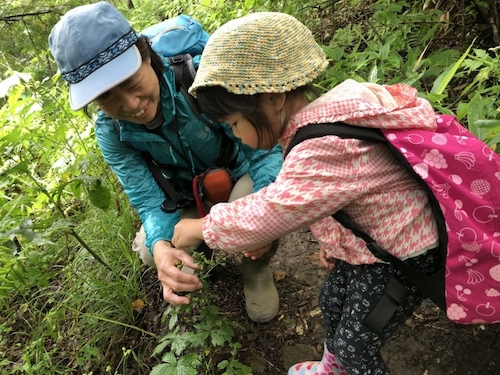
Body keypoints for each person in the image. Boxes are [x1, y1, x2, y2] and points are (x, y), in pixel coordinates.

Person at [171, 12, 444, 375]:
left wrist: (202, 227)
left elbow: (275, 209)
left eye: (235, 123)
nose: (235, 135)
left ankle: (342, 364)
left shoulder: (323, 146)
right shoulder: (331, 113)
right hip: (375, 243)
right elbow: (343, 195)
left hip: (400, 256)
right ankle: (331, 368)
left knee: (356, 347)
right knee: (331, 301)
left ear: (273, 98)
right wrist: (336, 244)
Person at [48, 2, 283, 324]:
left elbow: (264, 151)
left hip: (239, 173)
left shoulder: (201, 78)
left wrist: (264, 219)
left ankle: (256, 269)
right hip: (185, 195)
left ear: (147, 56)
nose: (131, 105)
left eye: (132, 83)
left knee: (256, 209)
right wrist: (161, 247)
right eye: (107, 98)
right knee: (148, 248)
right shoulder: (111, 130)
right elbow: (146, 197)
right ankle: (202, 259)